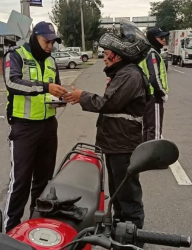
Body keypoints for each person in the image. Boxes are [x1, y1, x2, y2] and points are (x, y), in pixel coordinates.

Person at [64, 20, 151, 231]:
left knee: (127, 197)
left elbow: (108, 104)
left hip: (123, 146)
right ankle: (120, 234)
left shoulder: (130, 75)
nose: (104, 56)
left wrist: (81, 95)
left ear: (119, 55)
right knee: (118, 194)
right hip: (115, 145)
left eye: (107, 52)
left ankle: (133, 239)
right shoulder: (122, 74)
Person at [2, 21, 68, 233]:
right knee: (20, 181)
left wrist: (60, 96)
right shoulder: (16, 55)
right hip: (24, 127)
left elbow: (52, 89)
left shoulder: (50, 61)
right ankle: (11, 229)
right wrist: (45, 87)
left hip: (48, 126)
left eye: (52, 42)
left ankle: (35, 224)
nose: (50, 46)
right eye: (46, 41)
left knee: (43, 180)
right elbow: (12, 83)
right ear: (34, 37)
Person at [139, 27, 169, 150]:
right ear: (153, 39)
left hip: (147, 95)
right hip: (154, 96)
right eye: (161, 38)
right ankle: (153, 157)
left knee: (147, 127)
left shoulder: (147, 53)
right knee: (155, 129)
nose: (164, 40)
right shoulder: (152, 54)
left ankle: (145, 154)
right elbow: (154, 78)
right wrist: (162, 93)